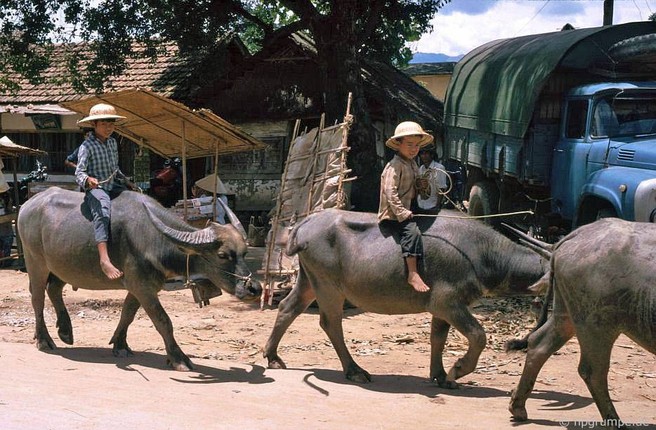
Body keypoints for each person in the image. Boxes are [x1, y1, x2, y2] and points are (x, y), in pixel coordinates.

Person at [75, 103, 137, 280]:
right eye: (104, 124)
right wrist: (88, 180)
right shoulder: (86, 146)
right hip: (98, 189)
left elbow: (115, 169)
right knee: (103, 210)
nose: (108, 128)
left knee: (138, 200)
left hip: (113, 185)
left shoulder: (112, 143)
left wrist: (127, 181)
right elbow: (79, 172)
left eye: (111, 124)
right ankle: (104, 259)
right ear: (94, 125)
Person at [378, 121, 433, 293]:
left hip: (410, 208)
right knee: (412, 232)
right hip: (393, 215)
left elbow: (420, 191)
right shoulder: (394, 166)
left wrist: (423, 186)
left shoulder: (413, 164)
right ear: (398, 145)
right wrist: (402, 213)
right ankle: (413, 273)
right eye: (409, 145)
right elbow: (389, 191)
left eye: (416, 145)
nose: (414, 149)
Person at [416, 148, 447, 214]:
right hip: (421, 204)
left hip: (433, 205)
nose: (424, 156)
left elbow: (441, 188)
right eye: (422, 154)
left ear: (432, 155)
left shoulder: (439, 168)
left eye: (426, 153)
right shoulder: (421, 168)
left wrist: (437, 206)